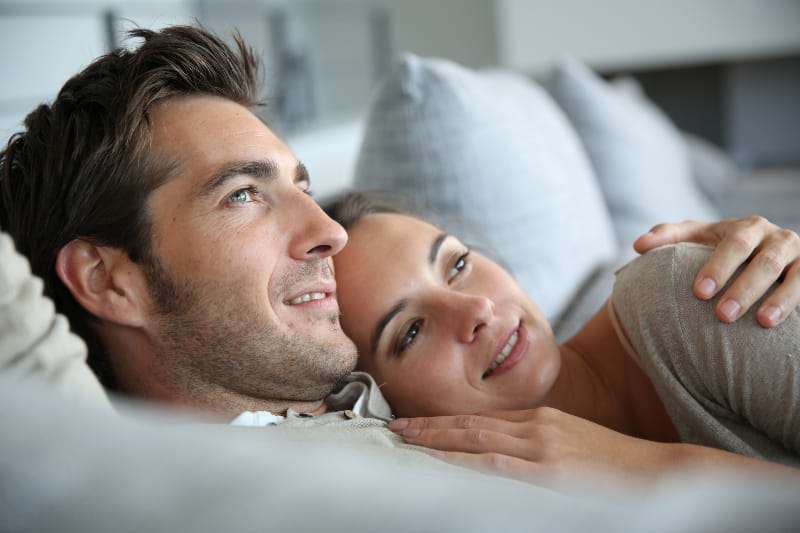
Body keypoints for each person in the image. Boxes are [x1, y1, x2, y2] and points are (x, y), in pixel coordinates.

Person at [0, 23, 797, 448]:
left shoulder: (691, 294)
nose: (323, 234)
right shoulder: (405, 439)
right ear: (109, 281)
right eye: (243, 193)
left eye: (301, 186)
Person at [326, 192, 800, 485]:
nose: (477, 311)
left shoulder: (686, 297)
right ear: (384, 404)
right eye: (410, 331)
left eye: (457, 265)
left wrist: (648, 468)